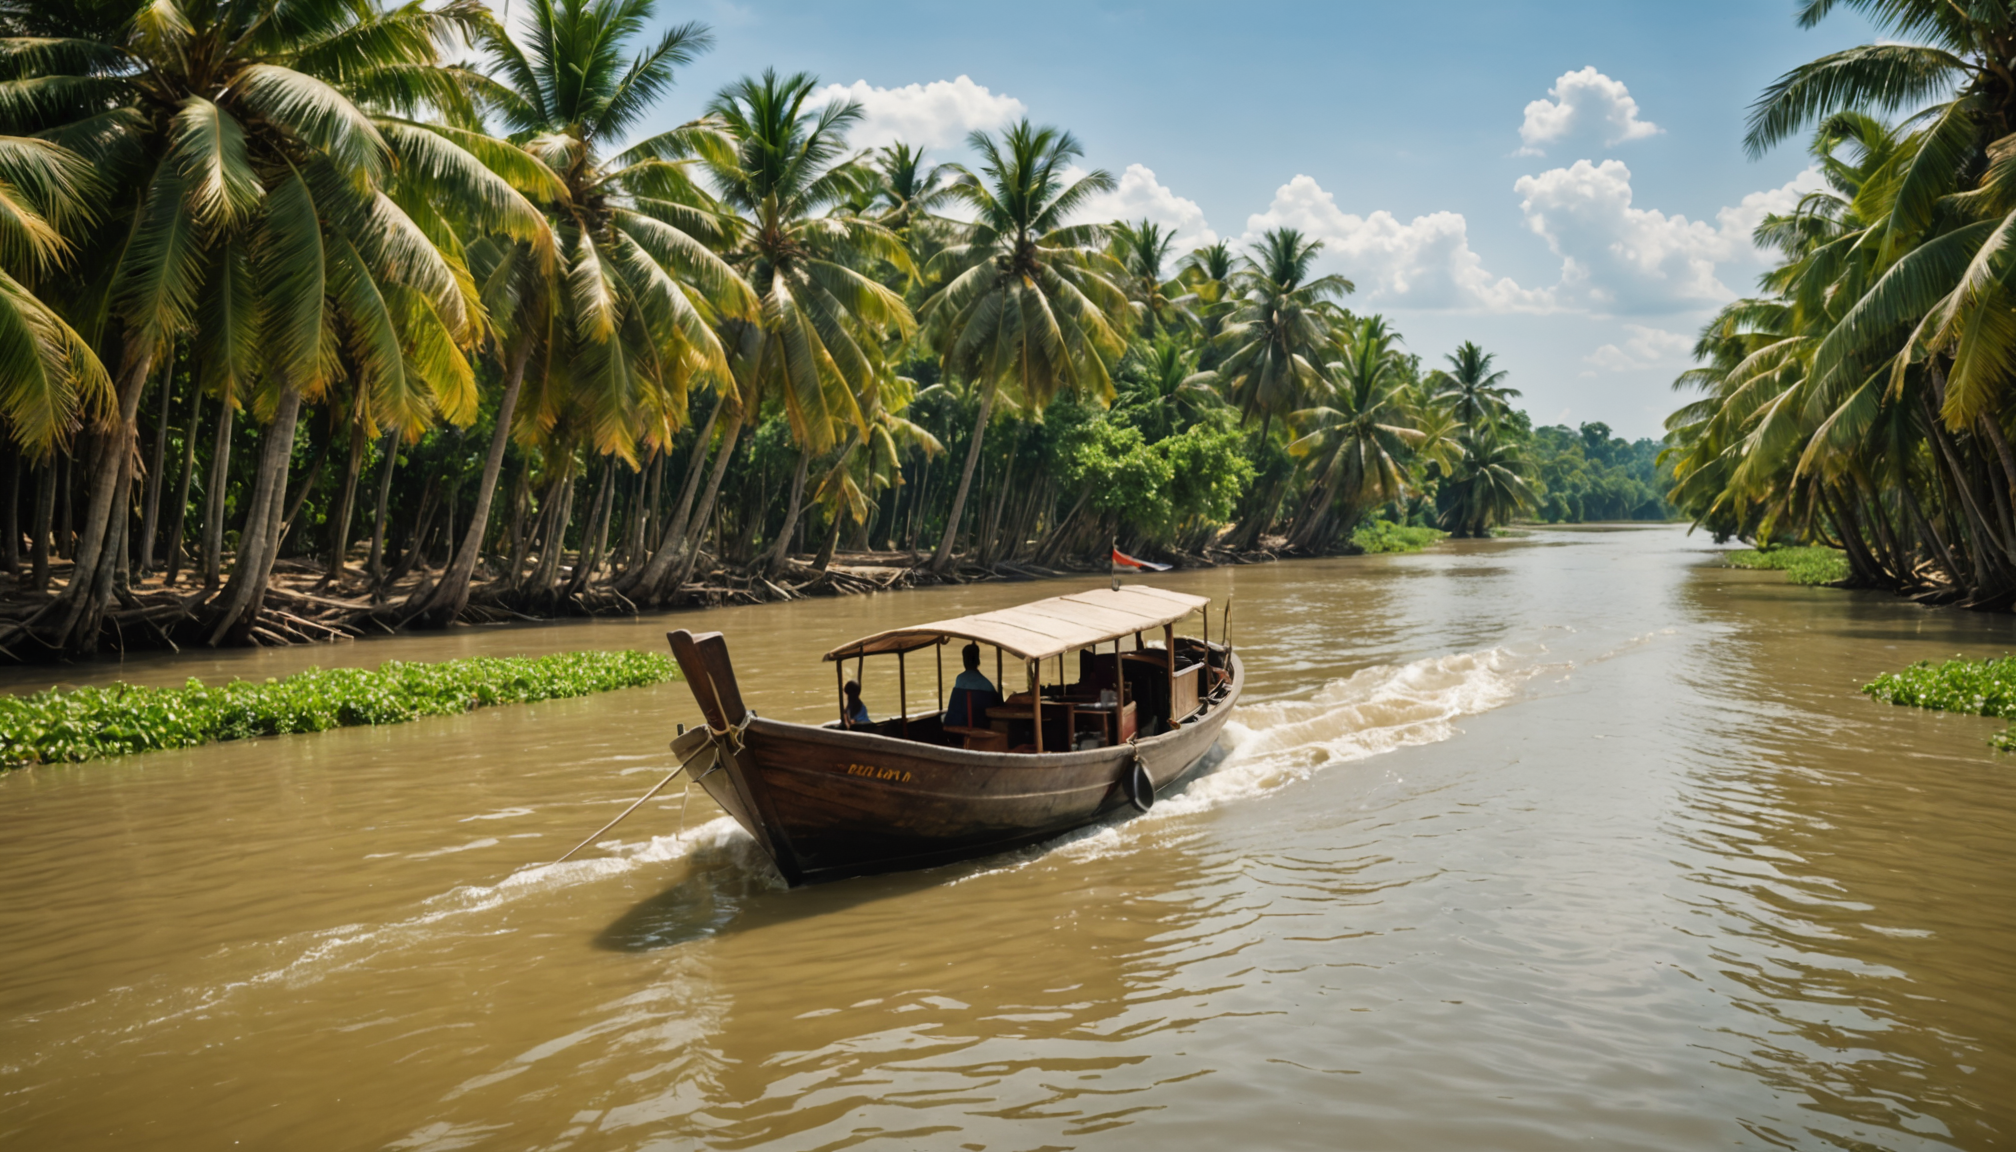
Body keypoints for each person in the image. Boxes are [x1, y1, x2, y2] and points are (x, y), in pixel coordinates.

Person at [944, 643, 1001, 728]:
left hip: (958, 726)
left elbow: (954, 711)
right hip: (981, 726)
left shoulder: (960, 679)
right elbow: (997, 707)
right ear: (978, 661)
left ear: (964, 661)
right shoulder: (987, 684)